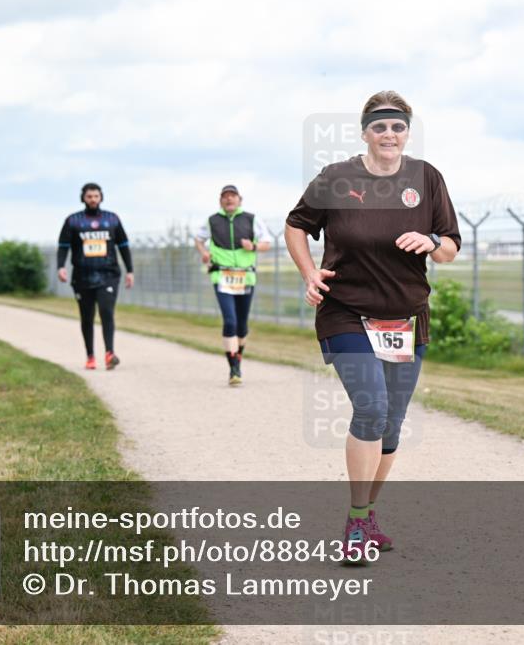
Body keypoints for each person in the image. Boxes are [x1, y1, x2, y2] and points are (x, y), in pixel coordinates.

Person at [285, 91, 460, 564]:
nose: (389, 134)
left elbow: (449, 248)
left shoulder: (426, 178)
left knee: (391, 425)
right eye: (380, 126)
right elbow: (296, 224)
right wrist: (309, 272)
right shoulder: (336, 178)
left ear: (407, 132)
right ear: (364, 132)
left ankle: (365, 514)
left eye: (398, 127)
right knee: (372, 406)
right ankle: (357, 522)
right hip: (345, 311)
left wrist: (431, 240)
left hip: (406, 316)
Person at [194, 184, 273, 385]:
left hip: (245, 277)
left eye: (232, 196)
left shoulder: (251, 219)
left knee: (242, 324)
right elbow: (198, 239)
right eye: (225, 196)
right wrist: (204, 253)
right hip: (221, 276)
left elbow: (267, 243)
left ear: (240, 199)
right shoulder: (212, 221)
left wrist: (253, 246)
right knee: (230, 321)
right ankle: (234, 368)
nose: (229, 199)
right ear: (220, 200)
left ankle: (238, 357)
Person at [57, 182, 134, 370]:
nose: (93, 199)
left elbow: (123, 246)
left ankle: (109, 353)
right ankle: (90, 356)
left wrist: (130, 270)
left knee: (107, 312)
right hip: (82, 276)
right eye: (89, 196)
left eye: (96, 196)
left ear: (101, 197)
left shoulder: (112, 219)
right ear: (83, 198)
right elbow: (63, 247)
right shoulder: (73, 221)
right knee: (87, 317)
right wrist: (61, 266)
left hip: (108, 274)